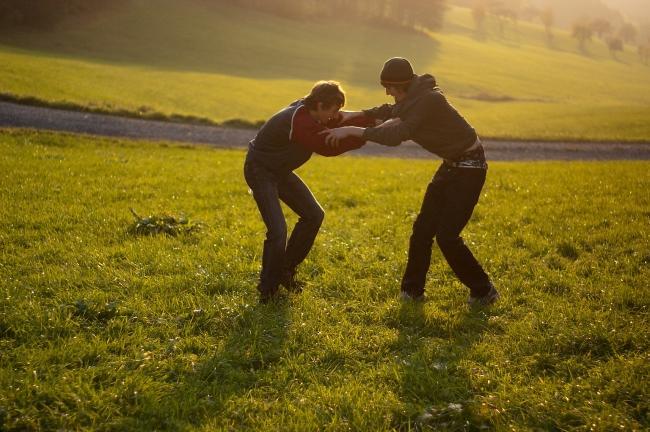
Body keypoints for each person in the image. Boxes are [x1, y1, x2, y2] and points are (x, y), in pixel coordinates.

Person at [320, 58, 499, 306]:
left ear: (401, 85)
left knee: (447, 236)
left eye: (390, 87)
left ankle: (483, 290)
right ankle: (412, 292)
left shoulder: (429, 101)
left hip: (471, 169)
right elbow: (391, 111)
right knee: (422, 232)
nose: (388, 92)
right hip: (451, 166)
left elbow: (398, 133)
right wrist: (356, 115)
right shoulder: (415, 98)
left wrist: (352, 131)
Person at [245, 81, 374, 303]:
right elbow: (327, 146)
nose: (335, 116)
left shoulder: (314, 112)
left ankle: (286, 270)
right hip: (260, 171)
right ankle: (267, 289)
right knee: (278, 230)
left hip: (279, 171)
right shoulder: (301, 120)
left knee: (314, 215)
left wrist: (377, 119)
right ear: (321, 105)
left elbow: (345, 120)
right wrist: (365, 135)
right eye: (333, 110)